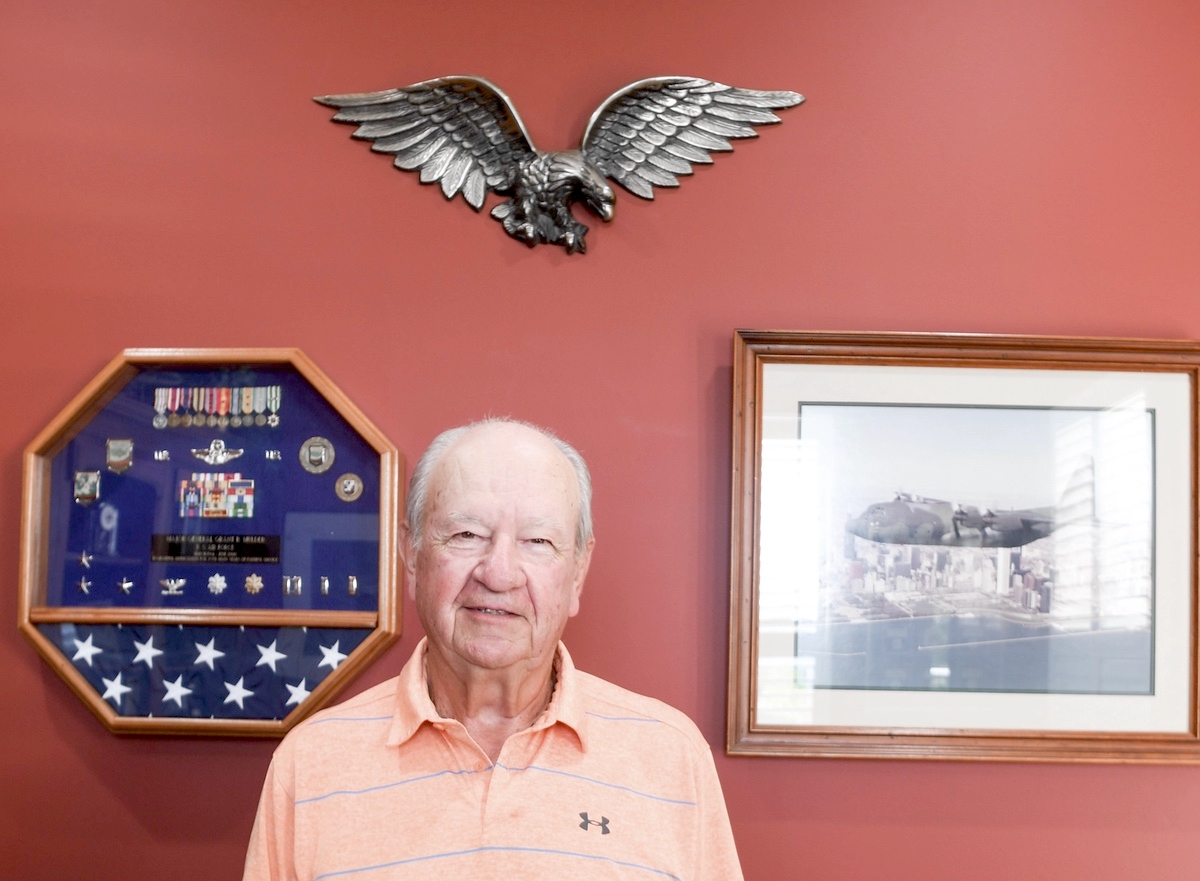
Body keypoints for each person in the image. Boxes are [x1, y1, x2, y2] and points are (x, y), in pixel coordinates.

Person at [242, 418, 743, 880]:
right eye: (466, 534)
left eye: (539, 542)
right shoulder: (308, 766)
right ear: (411, 555)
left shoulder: (673, 758)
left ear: (578, 573)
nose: (499, 574)